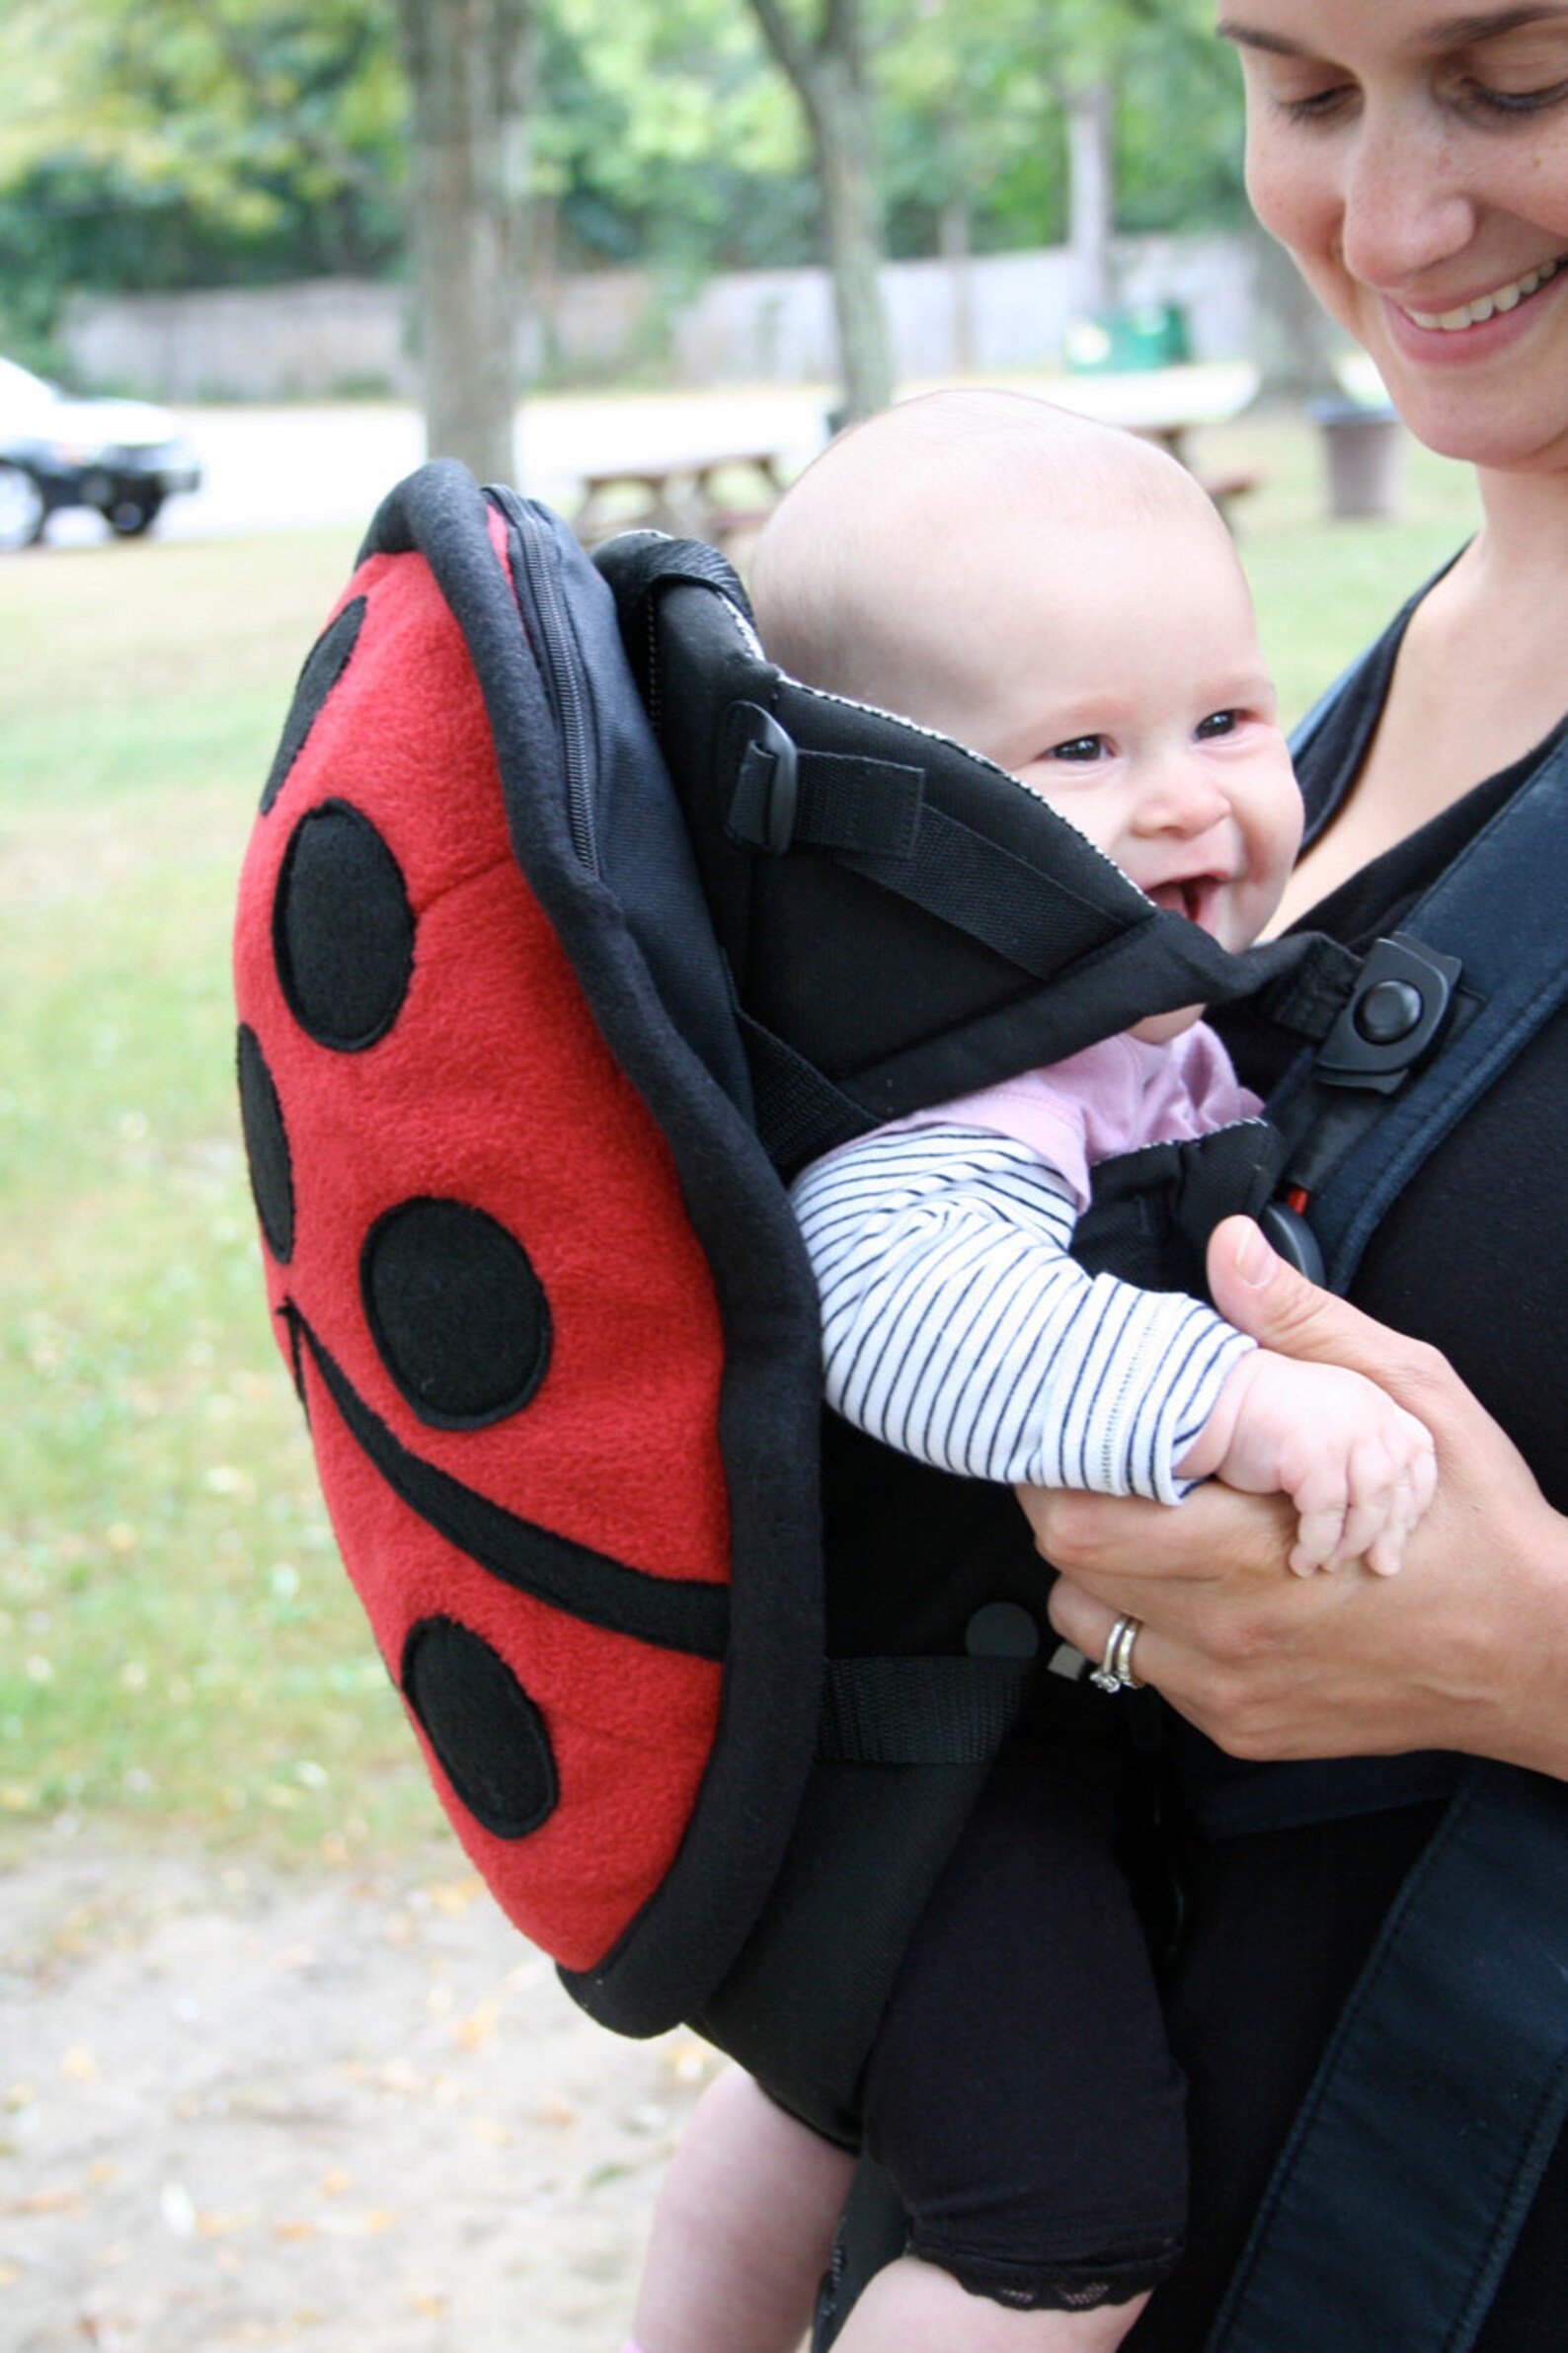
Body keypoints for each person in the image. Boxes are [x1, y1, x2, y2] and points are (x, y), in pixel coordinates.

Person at [624, 390, 1435, 2353]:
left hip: (907, 1754)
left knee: (826, 2098)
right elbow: (899, 1300)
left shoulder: (1104, 1020)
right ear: (887, 809)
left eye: (1225, 719)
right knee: (1057, 2227)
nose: (1184, 799)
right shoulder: (961, 1074)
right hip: (918, 1769)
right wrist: (1232, 1401)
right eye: (1080, 748)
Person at [1007, 4, 1568, 2345]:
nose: (1398, 221)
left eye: (1519, 81)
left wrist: (1531, 1658)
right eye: (1305, 92)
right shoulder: (1313, 702)